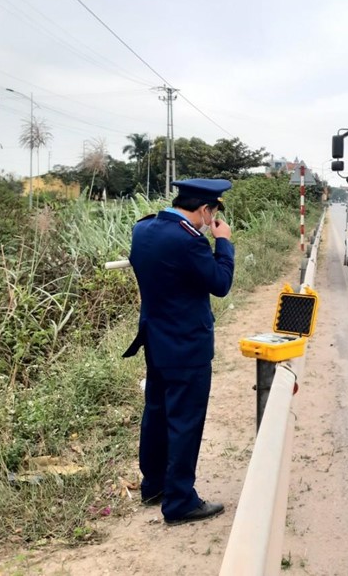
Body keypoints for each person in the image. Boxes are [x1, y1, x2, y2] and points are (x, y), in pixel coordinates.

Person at [123, 178, 235, 525]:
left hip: (155, 341)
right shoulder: (190, 242)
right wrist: (224, 242)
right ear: (205, 210)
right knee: (185, 422)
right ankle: (180, 501)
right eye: (212, 213)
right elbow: (220, 284)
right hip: (187, 346)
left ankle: (153, 486)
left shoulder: (144, 230)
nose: (211, 219)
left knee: (156, 415)